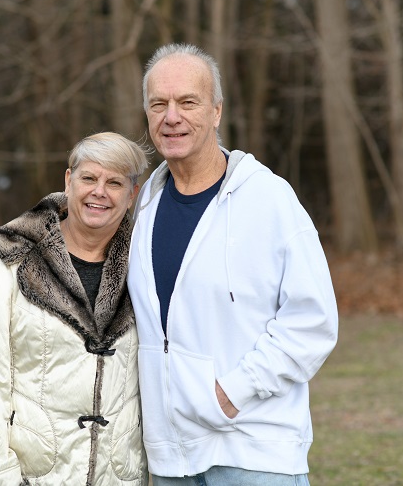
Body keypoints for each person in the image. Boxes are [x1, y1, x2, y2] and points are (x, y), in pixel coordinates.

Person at [128, 43, 338, 485]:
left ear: (217, 111)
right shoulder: (144, 204)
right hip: (170, 460)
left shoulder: (268, 198)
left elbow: (313, 321)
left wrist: (232, 393)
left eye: (188, 102)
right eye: (159, 104)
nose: (172, 117)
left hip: (253, 454)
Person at [0, 132, 149, 485]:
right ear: (68, 180)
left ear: (131, 194)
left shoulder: (147, 266)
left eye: (115, 183)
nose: (99, 192)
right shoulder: (11, 262)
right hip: (32, 476)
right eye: (89, 178)